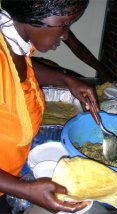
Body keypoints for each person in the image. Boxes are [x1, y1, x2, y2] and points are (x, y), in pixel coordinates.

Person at [0, 0, 99, 213]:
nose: (65, 35)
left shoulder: (13, 39)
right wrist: (23, 189)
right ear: (35, 14)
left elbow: (19, 72)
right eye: (64, 24)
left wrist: (66, 80)